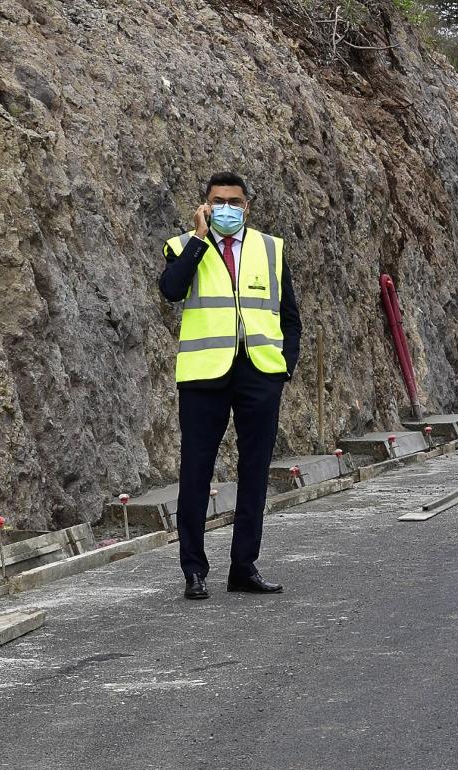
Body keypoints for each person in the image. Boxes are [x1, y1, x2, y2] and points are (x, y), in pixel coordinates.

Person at [158, 172, 302, 600]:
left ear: (247, 206)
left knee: (255, 471)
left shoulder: (270, 248)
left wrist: (282, 368)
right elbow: (170, 290)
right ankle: (194, 571)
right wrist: (200, 239)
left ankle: (244, 566)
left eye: (234, 201)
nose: (226, 207)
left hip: (259, 374)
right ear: (204, 205)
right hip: (204, 375)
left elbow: (289, 316)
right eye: (218, 200)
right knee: (195, 472)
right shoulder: (185, 245)